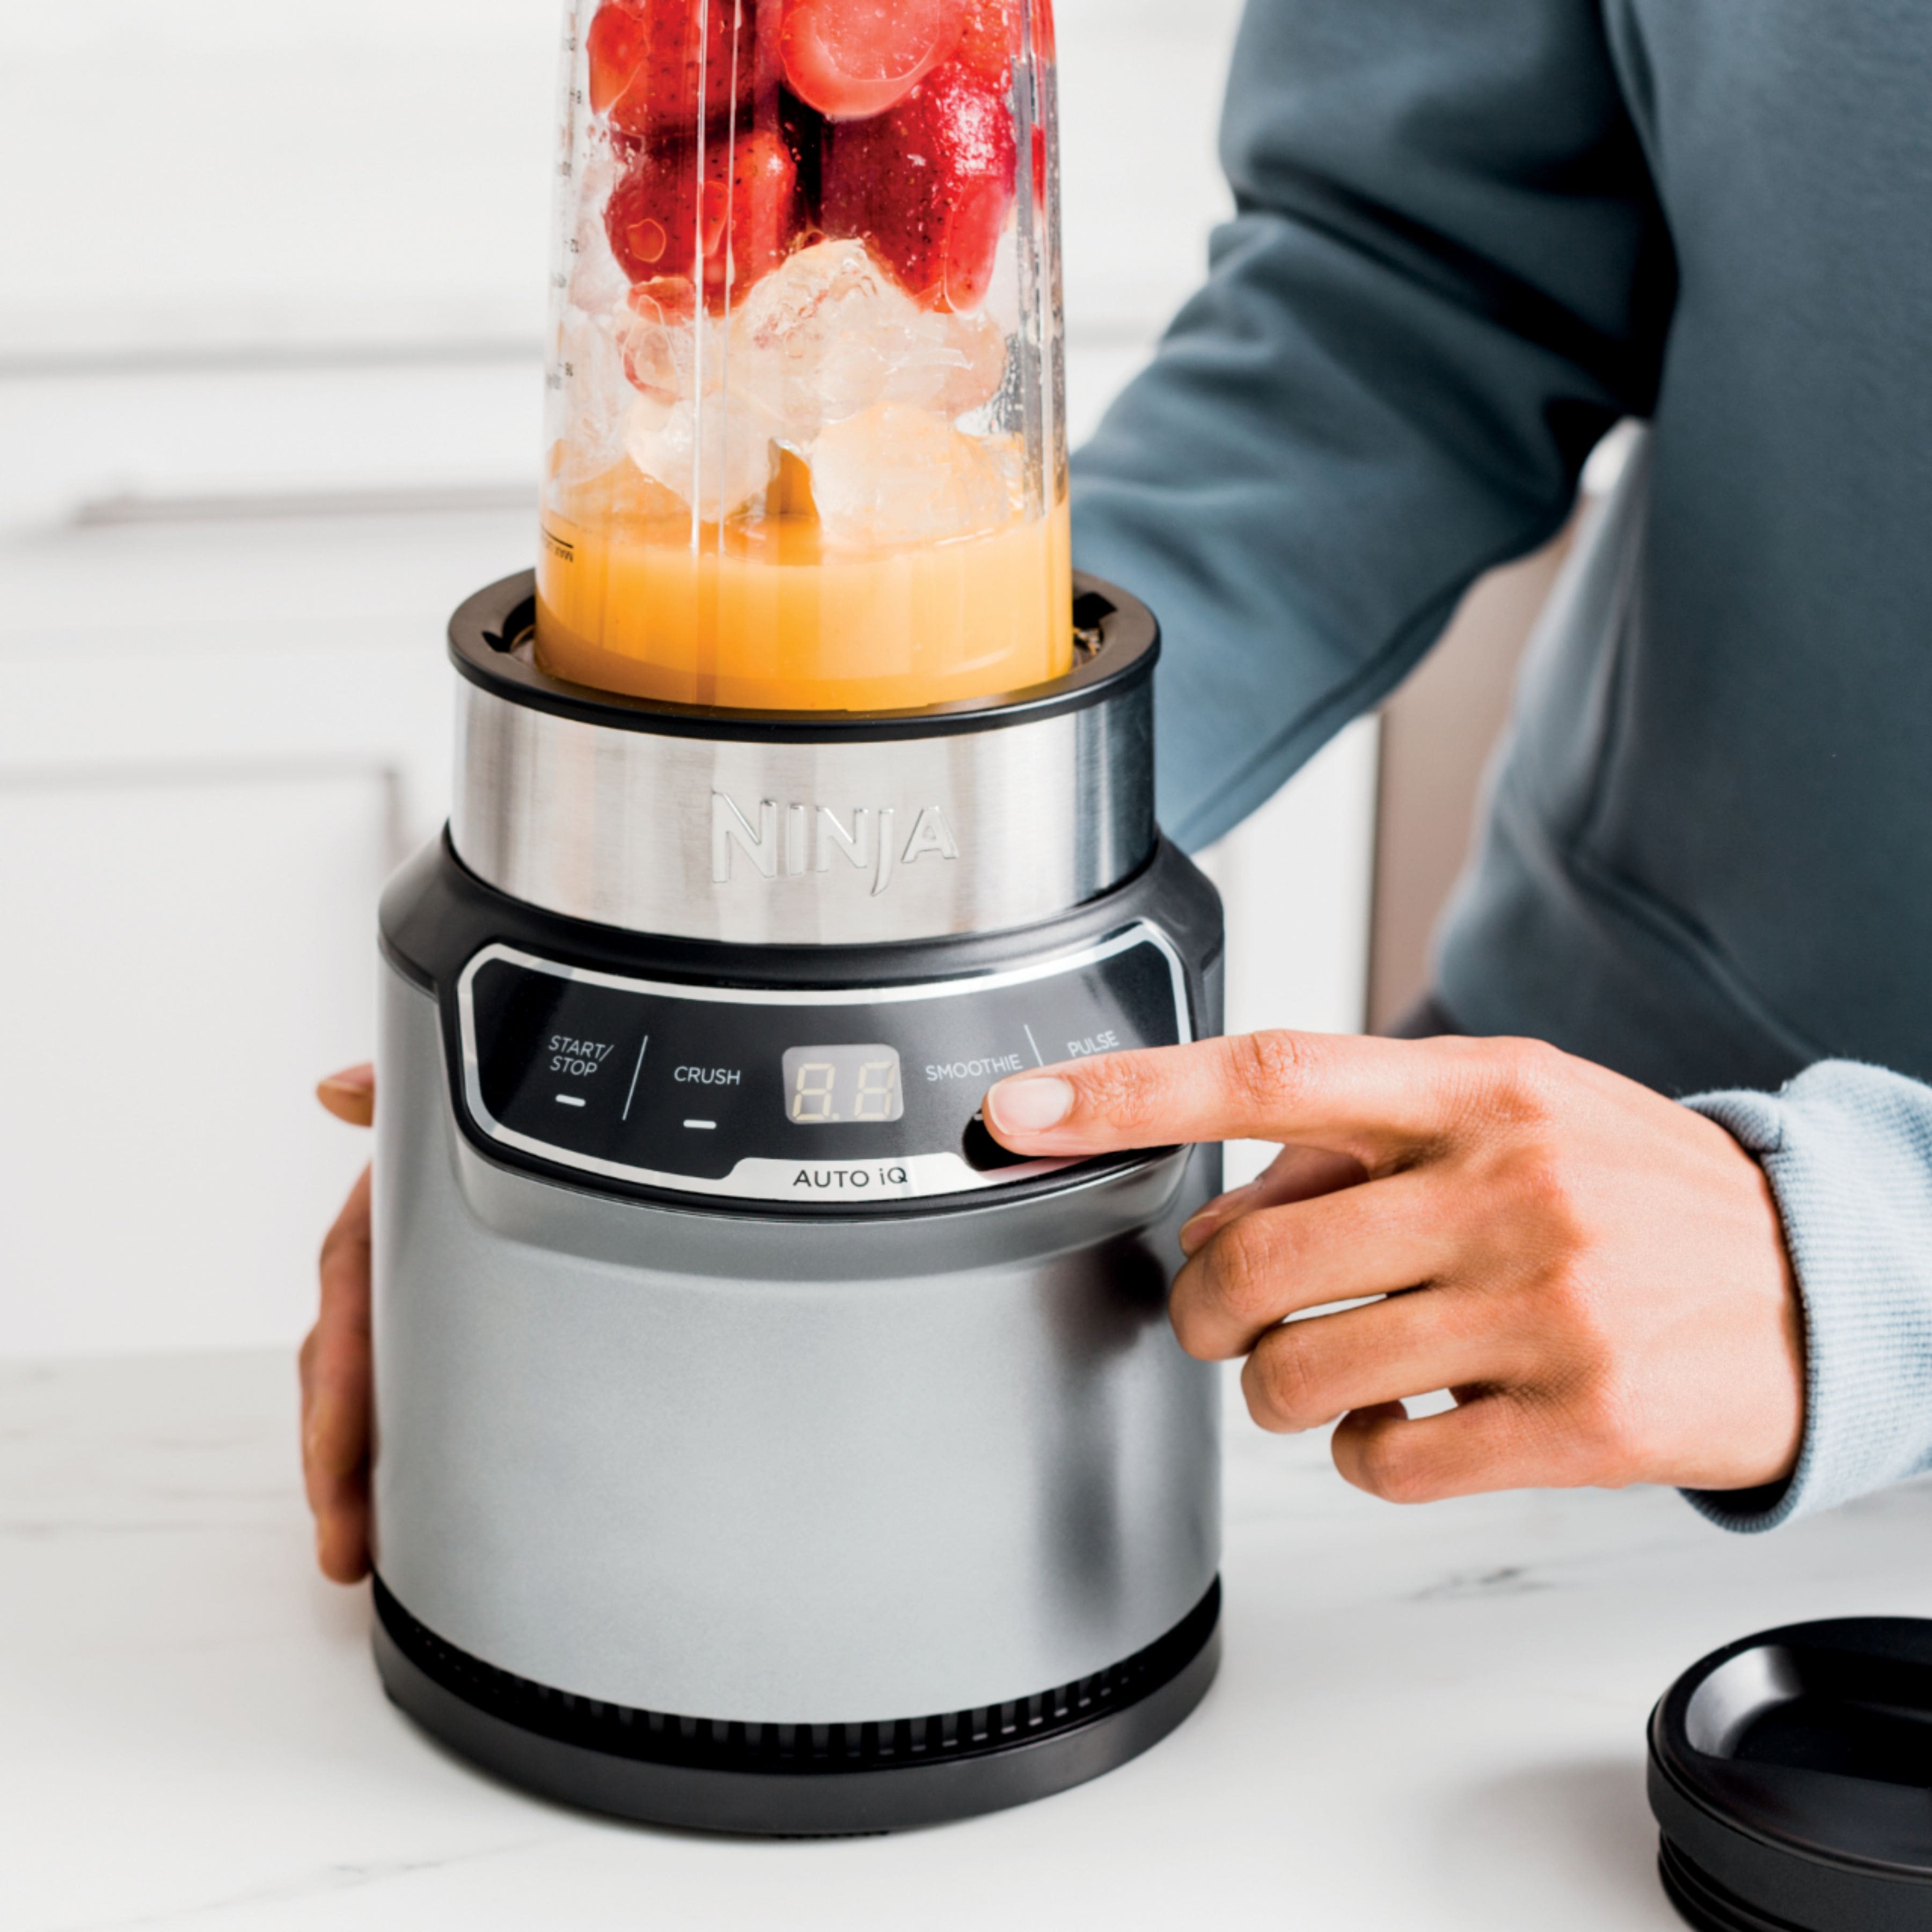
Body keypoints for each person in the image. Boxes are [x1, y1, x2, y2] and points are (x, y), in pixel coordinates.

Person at [303, 0, 1932, 1581]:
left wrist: (1862, 1267)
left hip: (1763, 1296)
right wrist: (748, 926)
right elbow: (1419, 286)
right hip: (1553, 1224)